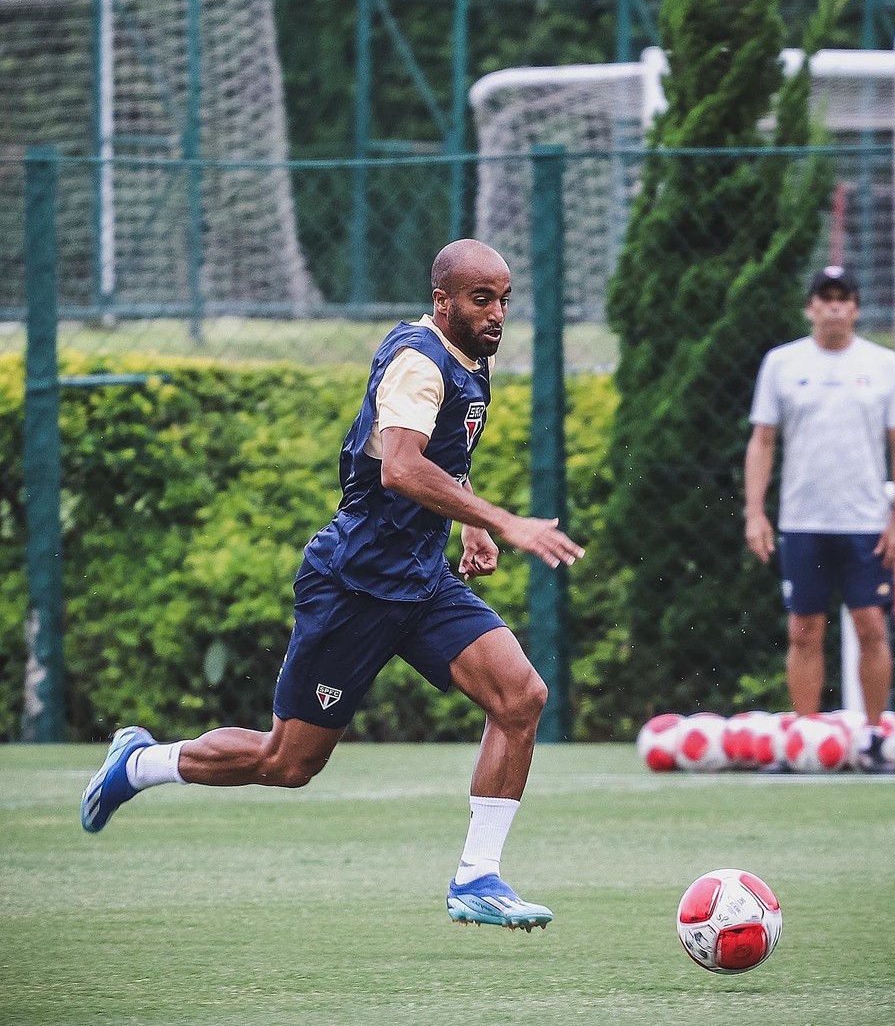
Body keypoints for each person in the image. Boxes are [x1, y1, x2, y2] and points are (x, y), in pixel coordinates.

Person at [81, 239, 584, 930]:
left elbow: (441, 456)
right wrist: (504, 519)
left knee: (521, 696)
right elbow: (401, 469)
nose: (497, 313)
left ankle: (477, 879)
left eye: (503, 299)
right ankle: (140, 764)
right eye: (481, 299)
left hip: (419, 580)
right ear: (443, 302)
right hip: (354, 584)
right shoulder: (419, 359)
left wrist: (470, 525)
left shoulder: (468, 359)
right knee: (286, 762)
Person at [743, 265, 895, 773]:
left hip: (866, 521)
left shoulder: (884, 365)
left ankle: (871, 738)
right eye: (826, 298)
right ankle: (807, 741)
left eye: (845, 298)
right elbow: (763, 440)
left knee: (870, 626)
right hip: (802, 521)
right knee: (804, 629)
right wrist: (756, 513)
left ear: (857, 309)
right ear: (811, 308)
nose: (835, 307)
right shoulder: (782, 363)